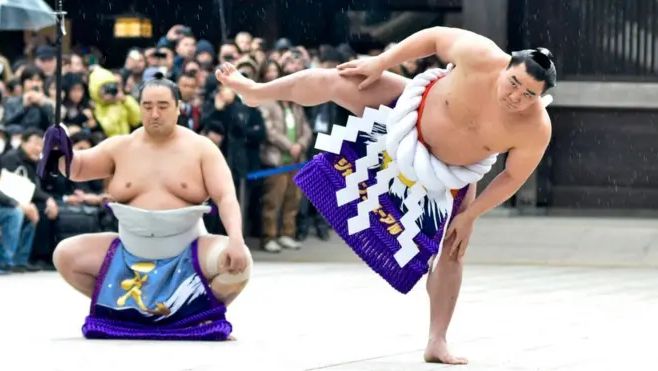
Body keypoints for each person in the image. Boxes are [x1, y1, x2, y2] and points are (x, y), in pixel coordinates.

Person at [214, 26, 556, 363]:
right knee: (339, 80)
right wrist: (382, 62)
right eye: (515, 83)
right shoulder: (480, 54)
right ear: (507, 66)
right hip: (410, 112)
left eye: (529, 95)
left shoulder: (535, 128)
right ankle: (258, 91)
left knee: (453, 249)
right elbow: (434, 37)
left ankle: (437, 340)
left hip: (450, 177)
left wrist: (470, 215)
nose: (516, 97)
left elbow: (512, 176)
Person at [40, 76, 253, 340]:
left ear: (178, 107)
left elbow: (226, 197)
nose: (154, 113)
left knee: (239, 263)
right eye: (147, 105)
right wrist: (59, 149)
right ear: (138, 107)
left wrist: (235, 239)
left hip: (187, 250)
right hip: (130, 249)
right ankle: (122, 311)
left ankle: (196, 314)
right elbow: (77, 168)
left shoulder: (202, 149)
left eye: (163, 106)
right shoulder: (120, 146)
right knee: (65, 255)